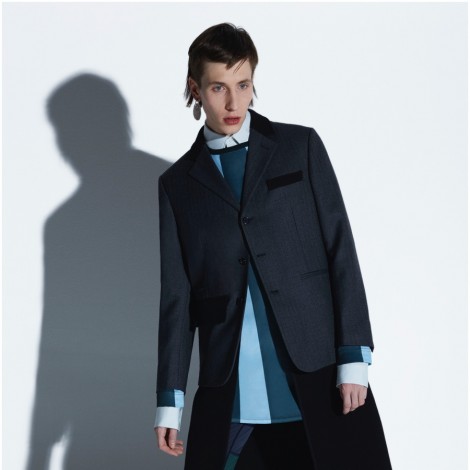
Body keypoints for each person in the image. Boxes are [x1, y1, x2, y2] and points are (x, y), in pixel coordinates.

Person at [154, 23, 392, 470]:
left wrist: (354, 356)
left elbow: (340, 250)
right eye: (219, 87)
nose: (234, 103)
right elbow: (176, 299)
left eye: (243, 85)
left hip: (318, 370)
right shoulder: (177, 185)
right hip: (230, 385)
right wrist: (170, 399)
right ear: (196, 89)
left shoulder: (299, 147)